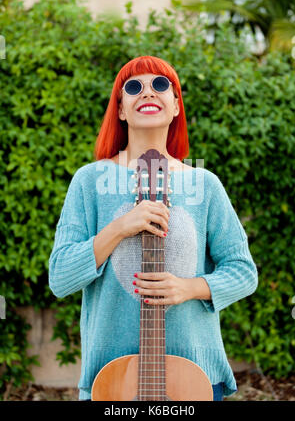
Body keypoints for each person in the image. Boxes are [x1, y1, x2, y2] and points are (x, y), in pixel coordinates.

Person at [48, 55, 258, 401]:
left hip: (193, 377)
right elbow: (61, 277)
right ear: (120, 110)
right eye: (133, 87)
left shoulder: (203, 184)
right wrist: (119, 228)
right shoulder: (89, 181)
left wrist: (189, 287)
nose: (148, 92)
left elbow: (243, 272)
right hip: (111, 380)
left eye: (161, 85)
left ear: (176, 106)